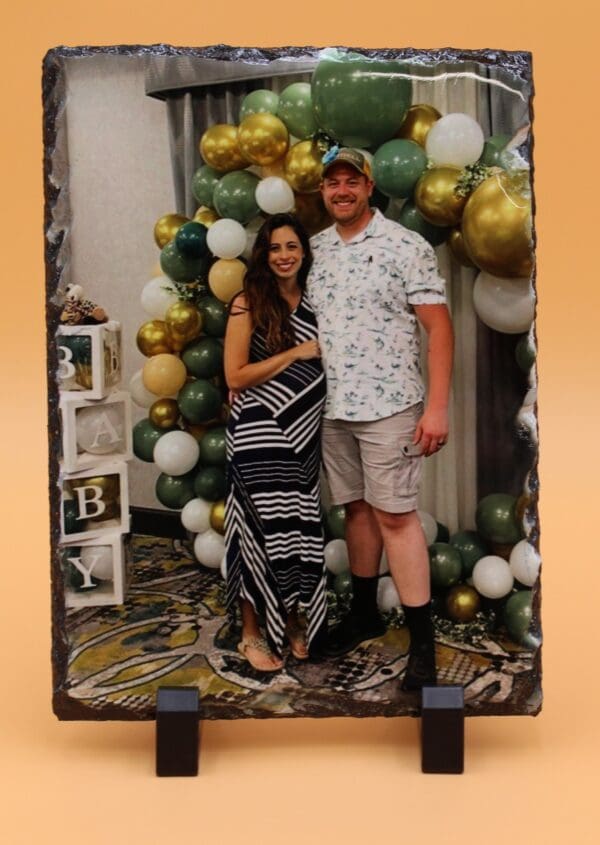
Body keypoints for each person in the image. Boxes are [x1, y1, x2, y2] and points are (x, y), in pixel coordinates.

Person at [307, 148, 454, 690]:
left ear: (369, 187)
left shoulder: (404, 246)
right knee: (356, 511)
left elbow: (439, 330)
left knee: (396, 516)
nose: (341, 190)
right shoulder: (315, 250)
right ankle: (366, 614)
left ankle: (423, 647)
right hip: (333, 407)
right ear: (322, 191)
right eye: (332, 182)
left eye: (352, 181)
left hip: (391, 406)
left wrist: (436, 407)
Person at [223, 213, 327, 672]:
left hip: (303, 441)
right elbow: (236, 375)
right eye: (275, 248)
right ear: (264, 256)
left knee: (296, 535)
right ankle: (250, 634)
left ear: (304, 252)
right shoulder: (248, 303)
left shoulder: (317, 301)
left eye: (292, 247)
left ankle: (290, 622)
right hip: (259, 435)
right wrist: (296, 353)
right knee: (256, 535)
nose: (284, 256)